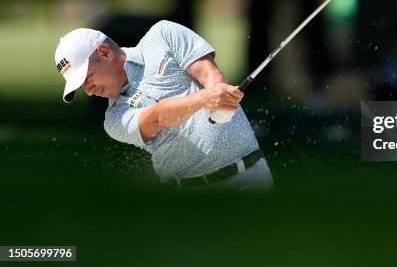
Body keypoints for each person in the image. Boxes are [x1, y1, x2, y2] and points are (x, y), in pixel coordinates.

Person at [54, 20, 273, 190]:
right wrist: (205, 99)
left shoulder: (163, 35)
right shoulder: (115, 118)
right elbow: (158, 118)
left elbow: (209, 74)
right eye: (81, 86)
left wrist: (219, 101)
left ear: (104, 52)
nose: (89, 91)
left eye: (88, 77)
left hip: (249, 179)